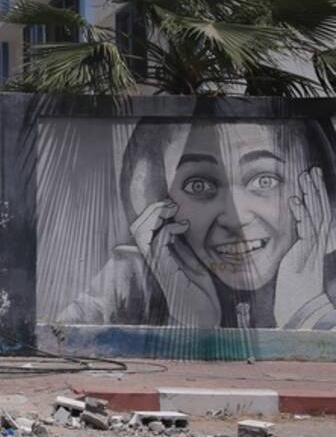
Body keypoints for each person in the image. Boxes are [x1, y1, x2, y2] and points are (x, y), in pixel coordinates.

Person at [57, 119, 336, 330]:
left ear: (321, 191)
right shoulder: (131, 280)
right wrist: (189, 323)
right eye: (198, 185)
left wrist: (307, 311)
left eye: (265, 180)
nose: (235, 220)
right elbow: (54, 350)